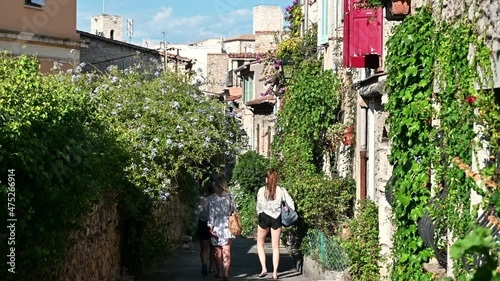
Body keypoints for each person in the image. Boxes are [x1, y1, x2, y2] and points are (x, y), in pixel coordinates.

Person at [256, 168, 295, 280]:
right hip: (276, 218)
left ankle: (264, 268)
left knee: (260, 244)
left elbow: (258, 206)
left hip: (264, 217)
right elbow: (291, 203)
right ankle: (275, 273)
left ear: (266, 179)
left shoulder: (261, 190)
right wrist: (289, 211)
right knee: (275, 247)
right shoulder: (281, 190)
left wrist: (259, 213)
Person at [207, 174, 236, 281]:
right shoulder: (230, 196)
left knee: (218, 251)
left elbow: (211, 214)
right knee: (227, 251)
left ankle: (219, 272)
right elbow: (234, 210)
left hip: (217, 226)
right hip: (228, 226)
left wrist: (210, 226)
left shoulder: (213, 199)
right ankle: (226, 273)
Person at [195, 180, 215, 276]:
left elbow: (198, 212)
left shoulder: (203, 200)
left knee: (204, 248)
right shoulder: (216, 200)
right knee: (213, 247)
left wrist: (194, 223)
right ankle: (211, 267)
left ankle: (204, 264)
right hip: (214, 225)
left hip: (203, 223)